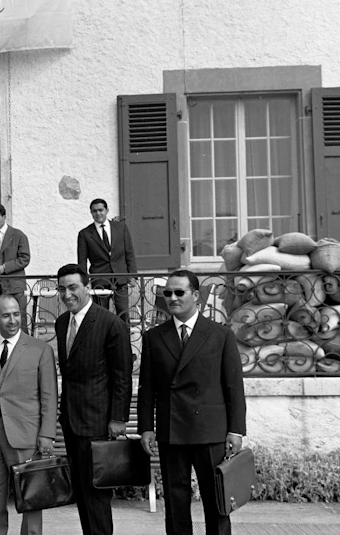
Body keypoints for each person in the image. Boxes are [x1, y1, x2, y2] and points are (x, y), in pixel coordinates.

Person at [138, 270, 247, 535]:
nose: (172, 298)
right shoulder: (154, 337)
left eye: (179, 292)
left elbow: (233, 386)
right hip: (171, 430)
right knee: (176, 503)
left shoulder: (220, 335)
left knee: (217, 501)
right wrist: (146, 428)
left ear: (196, 296)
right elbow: (146, 388)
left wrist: (236, 429)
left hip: (210, 430)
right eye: (168, 293)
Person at [54, 264, 133, 535]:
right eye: (62, 289)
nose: (67, 294)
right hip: (71, 422)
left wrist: (118, 419)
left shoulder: (112, 324)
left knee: (97, 494)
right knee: (81, 491)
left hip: (99, 423)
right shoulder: (62, 322)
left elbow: (122, 376)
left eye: (73, 287)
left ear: (87, 287)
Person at [0, 294, 57, 535]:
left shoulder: (41, 350)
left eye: (16, 314)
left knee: (31, 499)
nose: (12, 320)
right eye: (6, 315)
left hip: (27, 435)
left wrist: (47, 434)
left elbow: (49, 396)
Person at [77, 199, 137, 323]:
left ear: (107, 211)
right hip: (100, 280)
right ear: (91, 213)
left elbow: (129, 253)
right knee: (101, 316)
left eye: (101, 210)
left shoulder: (121, 228)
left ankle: (124, 340)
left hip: (121, 278)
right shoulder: (85, 234)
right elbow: (82, 261)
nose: (98, 213)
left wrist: (132, 275)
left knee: (123, 313)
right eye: (94, 211)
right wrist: (84, 281)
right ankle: (103, 341)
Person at [0, 204, 31, 332]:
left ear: (4, 217)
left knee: (20, 319)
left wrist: (5, 267)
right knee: (0, 320)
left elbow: (25, 258)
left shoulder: (19, 235)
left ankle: (23, 348)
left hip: (15, 285)